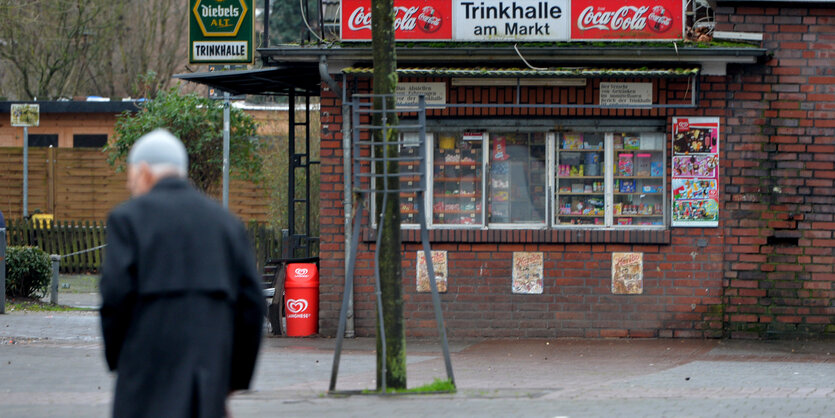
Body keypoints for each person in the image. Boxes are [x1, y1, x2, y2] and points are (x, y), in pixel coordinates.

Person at [100, 129, 264, 418]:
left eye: (131, 176)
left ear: (145, 171)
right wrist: (234, 379)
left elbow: (115, 297)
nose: (129, 184)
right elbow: (252, 304)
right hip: (205, 383)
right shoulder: (226, 224)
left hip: (143, 380)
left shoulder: (128, 220)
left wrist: (120, 362)